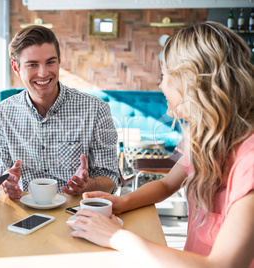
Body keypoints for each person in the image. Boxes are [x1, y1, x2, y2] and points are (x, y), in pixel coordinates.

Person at [67, 21, 254, 267]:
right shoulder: (203, 137)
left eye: (164, 76)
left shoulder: (248, 158)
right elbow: (167, 184)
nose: (161, 86)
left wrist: (115, 236)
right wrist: (123, 202)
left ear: (192, 81)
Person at [0, 25, 120, 199]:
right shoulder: (4, 112)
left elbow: (111, 179)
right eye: (32, 65)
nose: (43, 73)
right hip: (23, 211)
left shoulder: (96, 109)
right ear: (16, 68)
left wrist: (87, 185)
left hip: (75, 211)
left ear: (59, 61)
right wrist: (5, 184)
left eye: (50, 62)